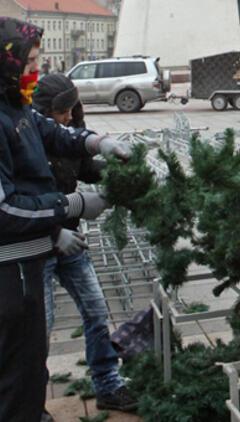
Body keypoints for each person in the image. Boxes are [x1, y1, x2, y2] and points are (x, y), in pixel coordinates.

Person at [0, 18, 130, 421]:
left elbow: (49, 132)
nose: (36, 72)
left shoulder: (13, 105)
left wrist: (97, 141)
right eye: (31, 62)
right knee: (18, 368)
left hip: (29, 263)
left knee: (31, 356)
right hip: (12, 269)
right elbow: (5, 210)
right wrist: (72, 207)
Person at [32, 73, 138, 414]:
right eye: (61, 111)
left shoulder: (69, 131)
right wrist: (51, 234)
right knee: (38, 328)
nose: (67, 117)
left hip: (72, 241)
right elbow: (23, 201)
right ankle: (30, 403)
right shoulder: (30, 137)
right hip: (38, 245)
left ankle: (108, 384)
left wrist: (116, 167)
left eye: (70, 109)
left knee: (95, 309)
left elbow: (85, 167)